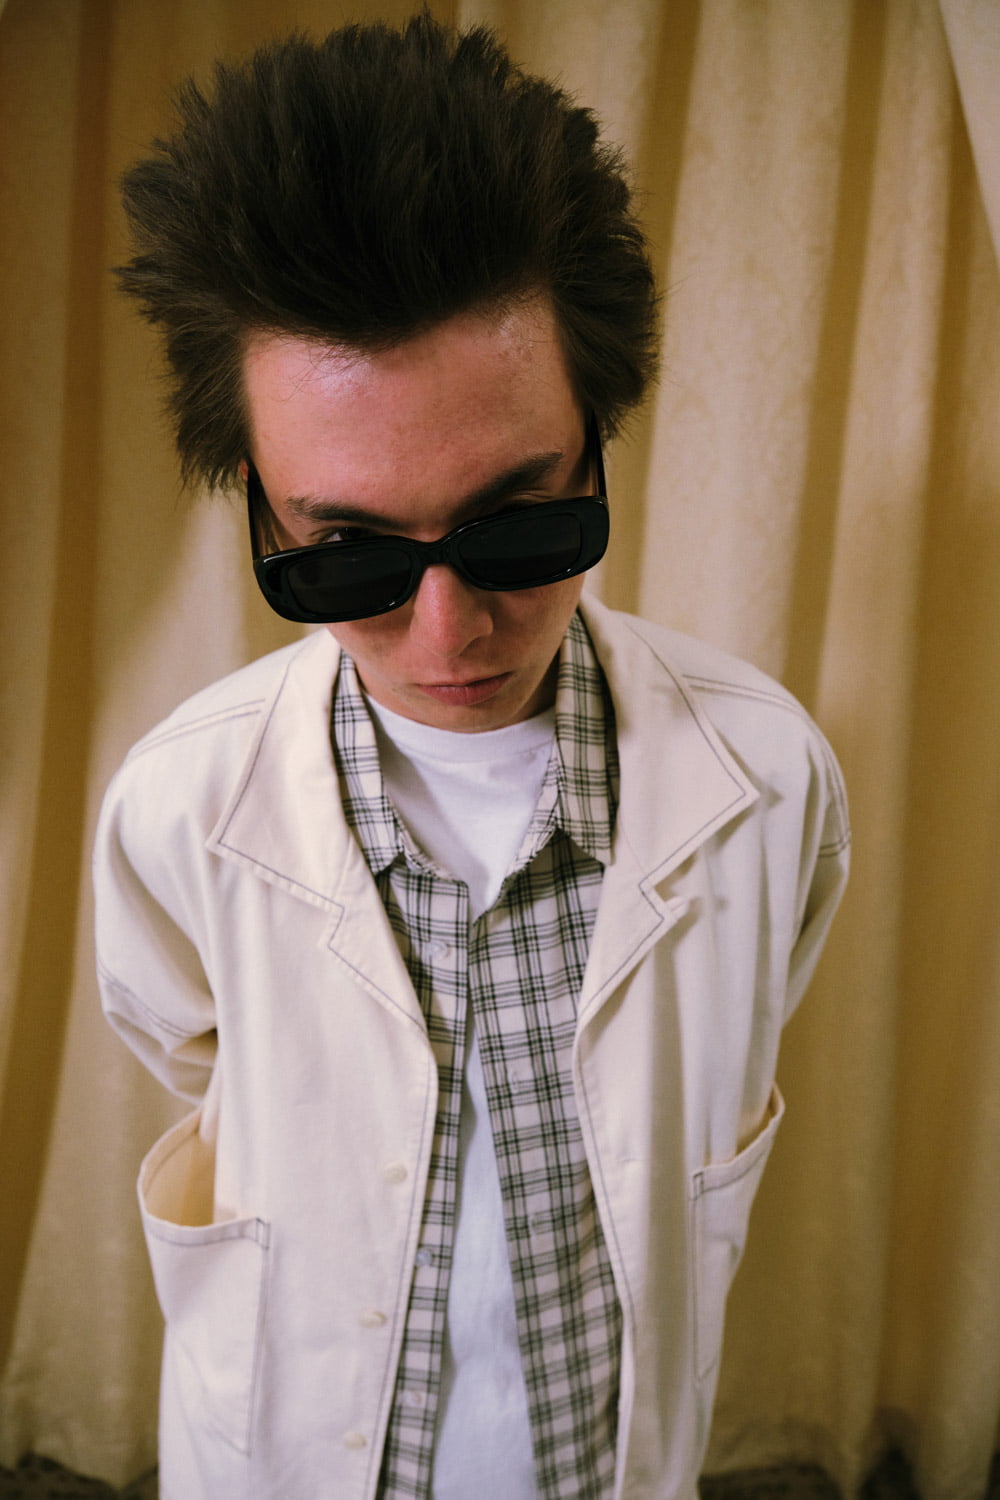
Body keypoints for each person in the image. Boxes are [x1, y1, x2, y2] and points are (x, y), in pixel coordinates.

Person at [93, 14, 850, 1500]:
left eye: (517, 527)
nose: (449, 630)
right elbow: (184, 1039)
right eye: (347, 555)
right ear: (258, 502)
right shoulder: (181, 807)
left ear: (598, 443)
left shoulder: (765, 784)